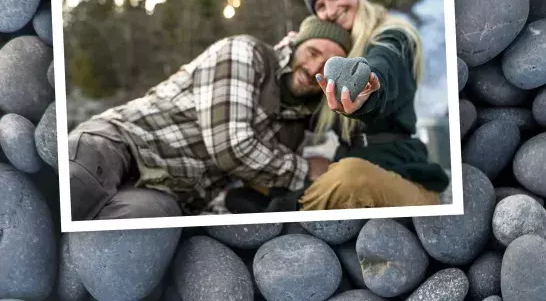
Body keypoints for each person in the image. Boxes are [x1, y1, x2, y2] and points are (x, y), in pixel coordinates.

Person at [68, 15, 352, 221]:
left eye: (329, 66)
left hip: (166, 190)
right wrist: (305, 169)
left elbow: (251, 177)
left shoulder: (298, 125)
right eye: (312, 52)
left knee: (126, 234)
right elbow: (230, 147)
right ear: (295, 45)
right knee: (72, 189)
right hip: (123, 143)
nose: (315, 67)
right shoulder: (246, 53)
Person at [265, 0, 450, 212]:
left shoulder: (392, 36)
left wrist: (367, 88)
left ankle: (278, 213)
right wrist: (295, 59)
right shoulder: (335, 57)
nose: (330, 10)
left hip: (398, 171)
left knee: (351, 175)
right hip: (347, 160)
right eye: (320, 6)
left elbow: (383, 68)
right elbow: (305, 111)